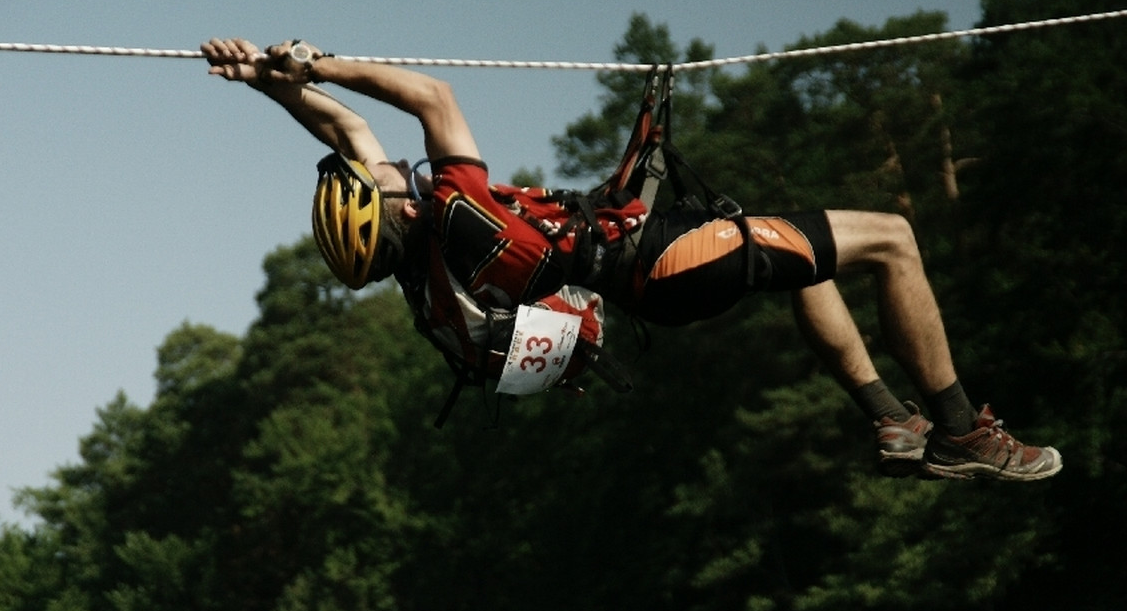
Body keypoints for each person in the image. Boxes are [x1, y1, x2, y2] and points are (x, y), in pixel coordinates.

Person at [202, 37, 1062, 481]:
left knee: (811, 260)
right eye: (381, 179)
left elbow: (344, 128)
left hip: (649, 279)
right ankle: (961, 433)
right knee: (894, 239)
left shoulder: (421, 270)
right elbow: (430, 96)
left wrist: (265, 82)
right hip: (662, 258)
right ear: (395, 206)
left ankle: (889, 417)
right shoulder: (459, 211)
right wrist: (318, 61)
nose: (382, 165)